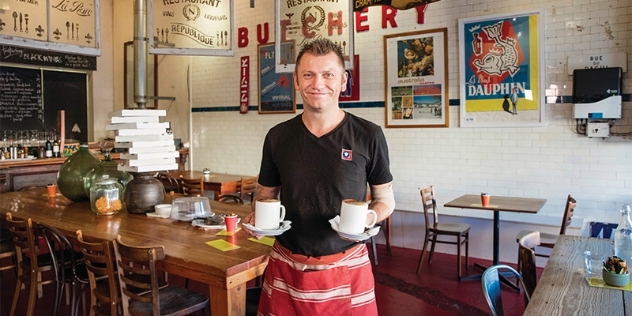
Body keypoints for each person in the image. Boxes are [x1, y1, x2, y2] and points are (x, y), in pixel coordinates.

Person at [242, 38, 395, 315]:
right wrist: (258, 216)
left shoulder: (368, 135)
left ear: (343, 80)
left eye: (328, 74)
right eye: (308, 74)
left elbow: (385, 199)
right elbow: (265, 195)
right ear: (297, 81)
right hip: (286, 265)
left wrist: (368, 218)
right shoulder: (278, 137)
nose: (318, 83)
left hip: (348, 265)